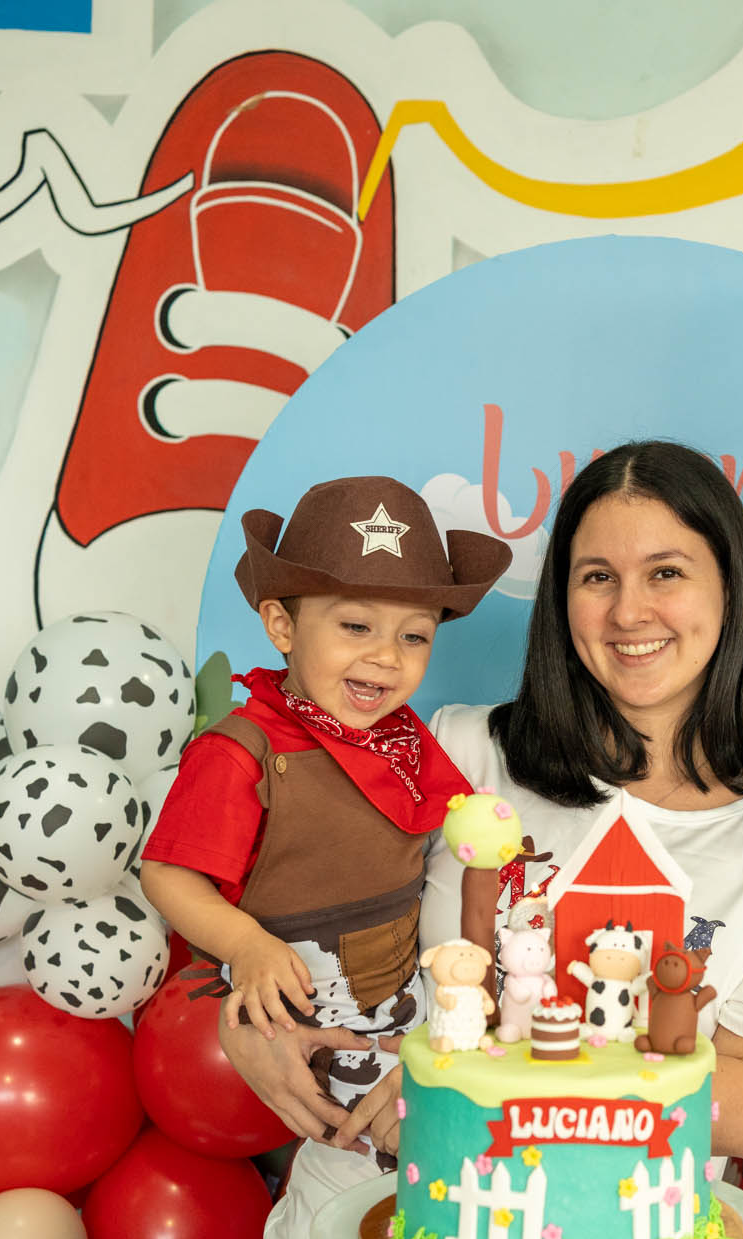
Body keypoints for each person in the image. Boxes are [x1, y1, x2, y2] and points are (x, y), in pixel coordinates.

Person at [223, 441, 743, 1239]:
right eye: (597, 577)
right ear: (562, 601)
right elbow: (280, 907)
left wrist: (454, 1104)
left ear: (732, 589)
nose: (630, 611)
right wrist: (238, 1023)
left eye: (666, 572)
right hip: (370, 1235)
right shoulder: (452, 752)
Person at [140, 475, 510, 1146]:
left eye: (414, 637)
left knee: (447, 1128)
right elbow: (166, 874)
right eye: (355, 626)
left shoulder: (401, 738)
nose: (384, 657)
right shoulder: (241, 750)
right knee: (384, 1151)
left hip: (403, 998)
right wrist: (246, 944)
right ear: (282, 623)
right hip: (315, 1010)